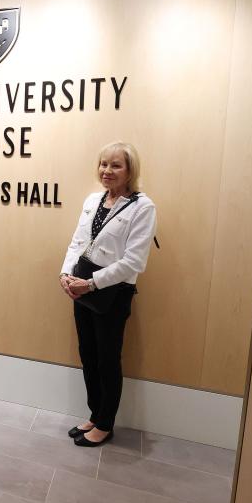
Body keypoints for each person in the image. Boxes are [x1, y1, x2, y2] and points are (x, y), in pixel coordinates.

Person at [59, 142, 157, 447]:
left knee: (107, 359)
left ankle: (105, 423)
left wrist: (90, 284)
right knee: (87, 354)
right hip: (81, 286)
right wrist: (65, 273)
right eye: (103, 164)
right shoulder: (93, 200)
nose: (107, 171)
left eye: (116, 165)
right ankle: (94, 413)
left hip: (112, 293)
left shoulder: (143, 207)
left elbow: (133, 262)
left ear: (130, 171)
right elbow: (78, 241)